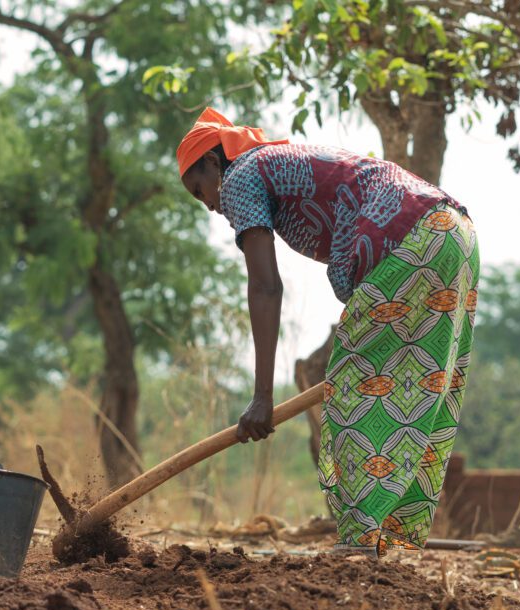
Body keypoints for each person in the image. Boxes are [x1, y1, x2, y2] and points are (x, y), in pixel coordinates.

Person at [177, 108, 478, 557]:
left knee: (355, 387)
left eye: (201, 190)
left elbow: (264, 285)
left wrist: (263, 398)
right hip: (453, 234)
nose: (211, 205)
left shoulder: (241, 175)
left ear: (216, 163)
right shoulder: (279, 160)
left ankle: (361, 541)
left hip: (411, 240)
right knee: (422, 384)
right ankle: (391, 536)